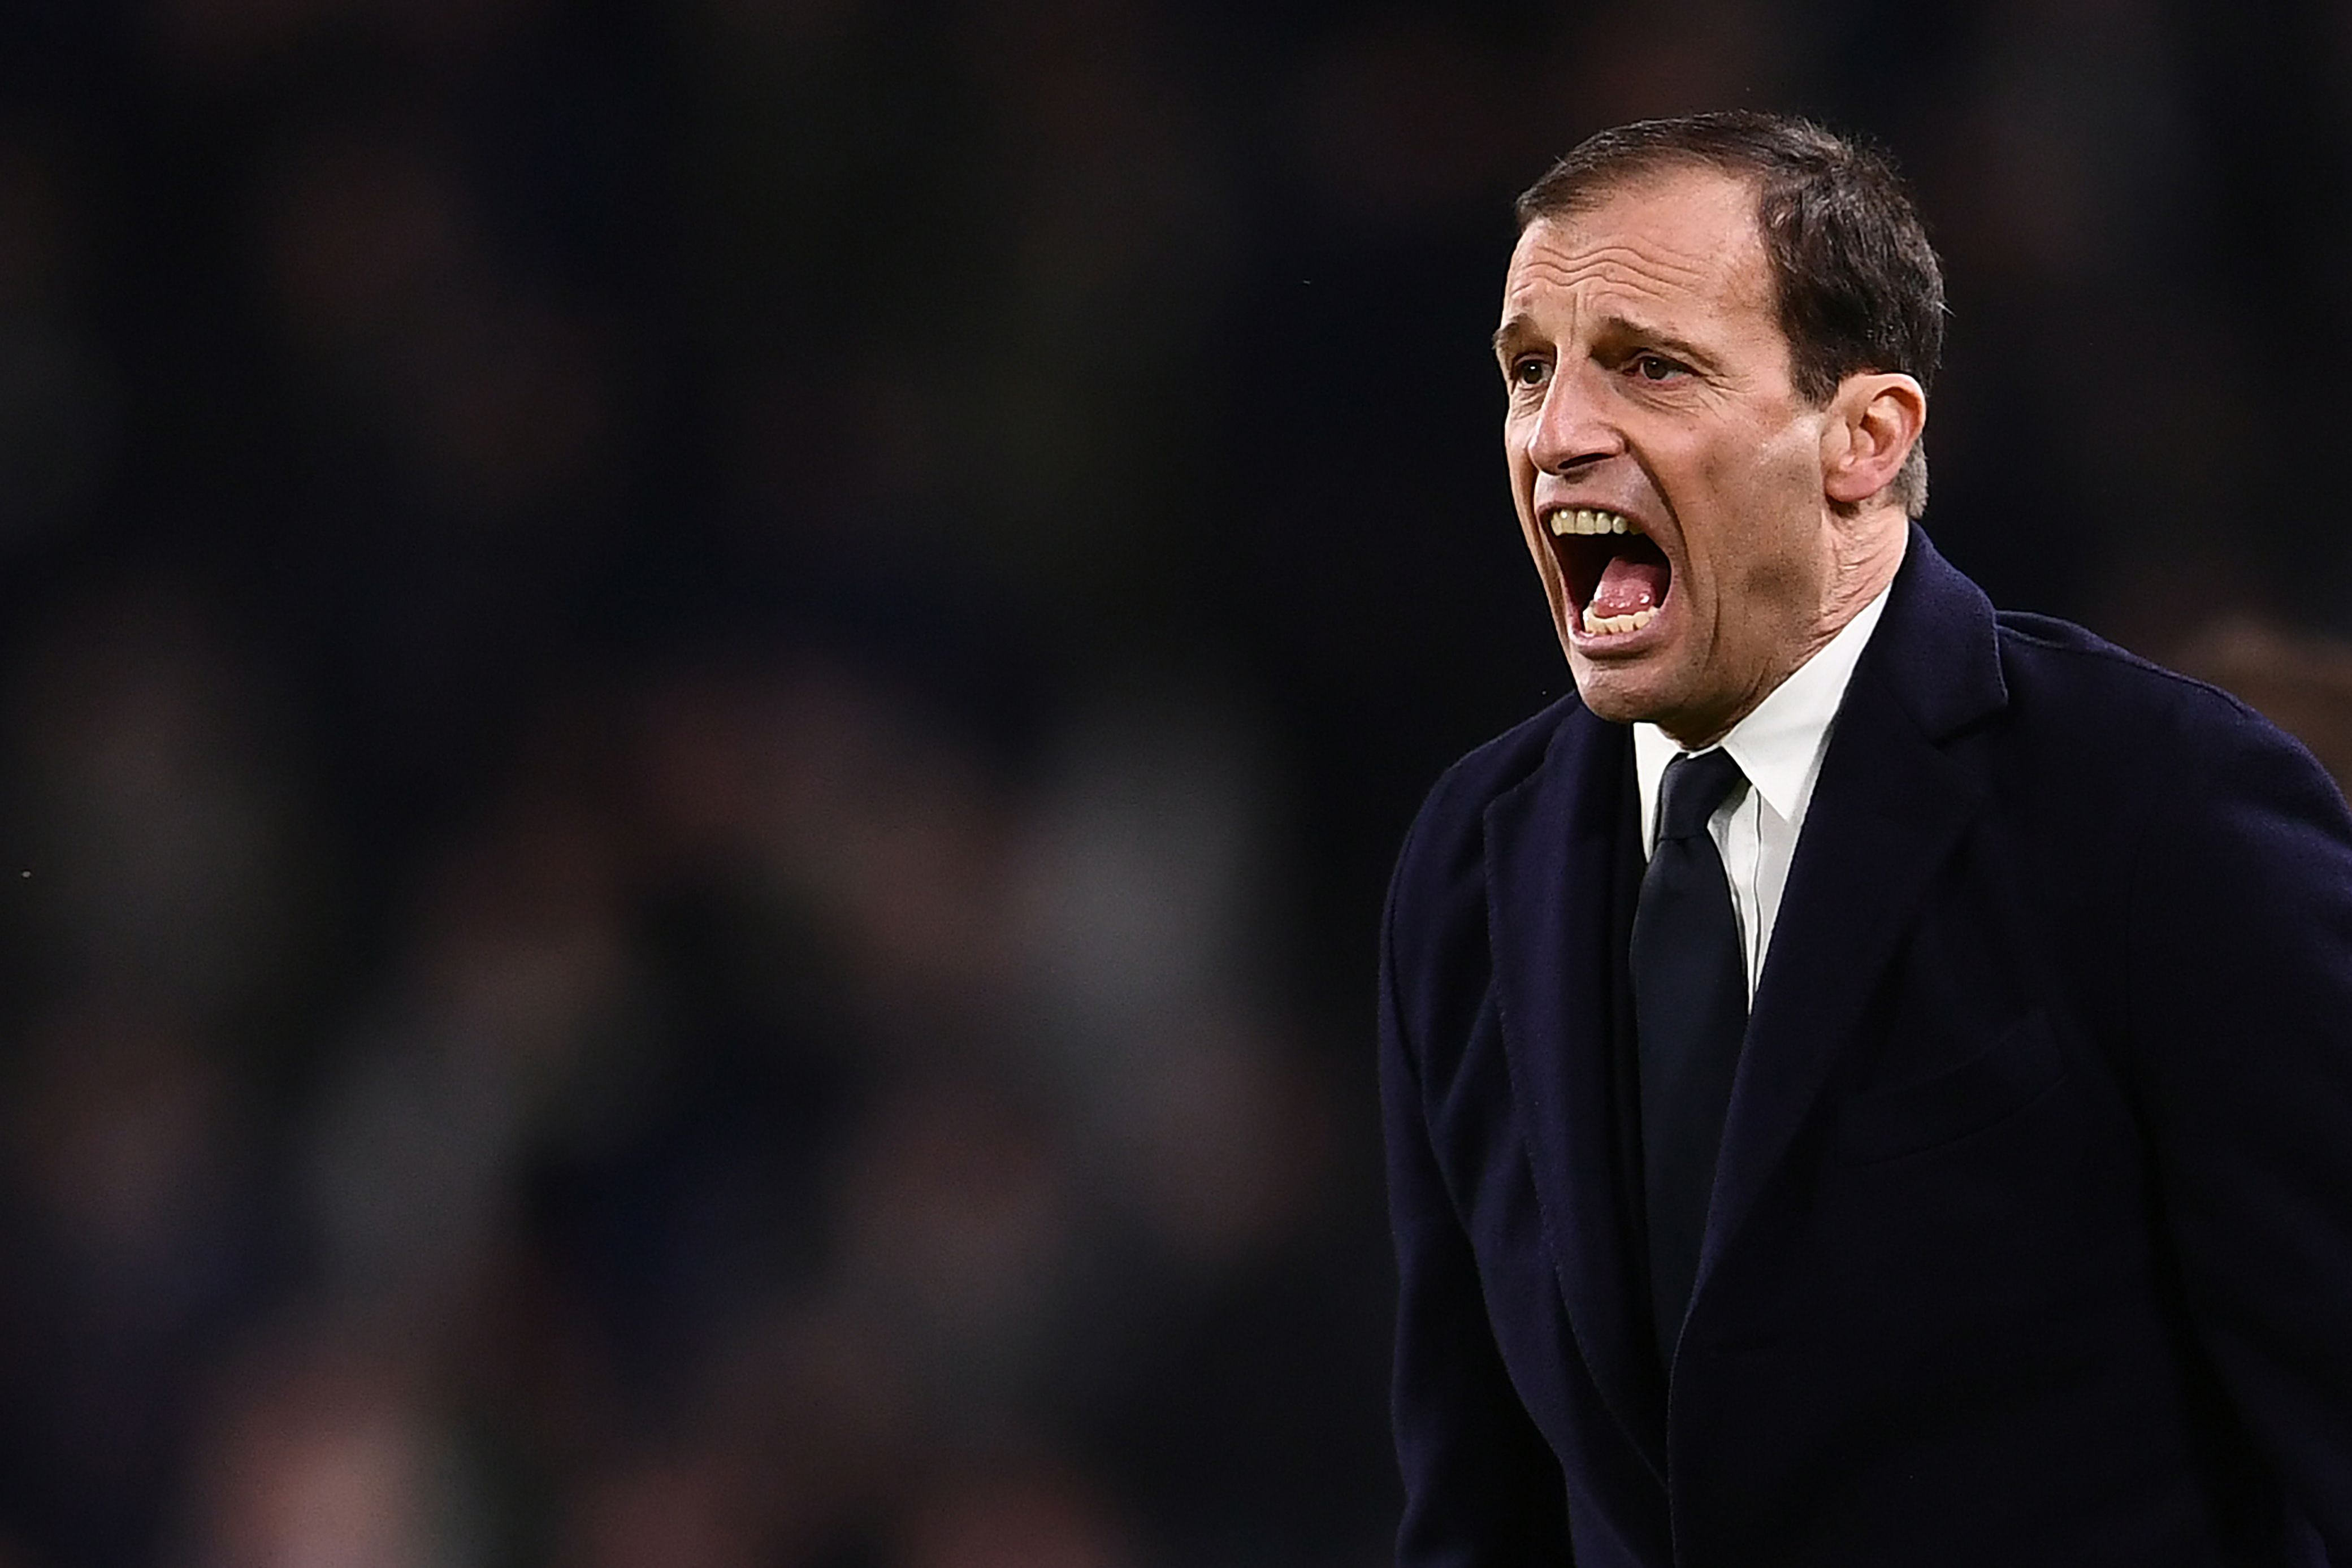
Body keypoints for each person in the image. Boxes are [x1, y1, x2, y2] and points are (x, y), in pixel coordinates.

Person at [1377, 110, 2352, 1567]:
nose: (1560, 433)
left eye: (1650, 364)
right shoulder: (1472, 868)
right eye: (1531, 369)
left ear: (1865, 437)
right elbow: (1480, 1506)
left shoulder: (2163, 813)